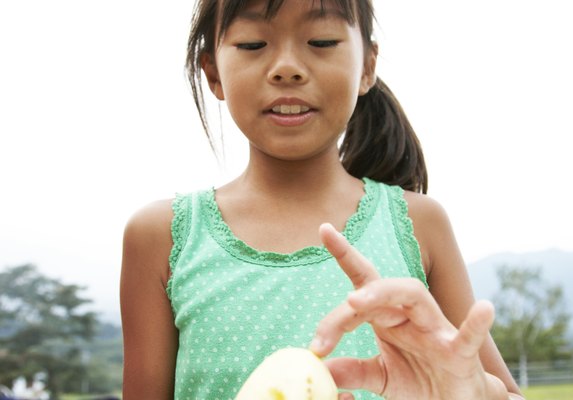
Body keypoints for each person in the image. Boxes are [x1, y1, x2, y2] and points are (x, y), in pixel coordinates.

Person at [119, 0, 524, 399]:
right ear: (213, 72)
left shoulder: (420, 224)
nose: (287, 68)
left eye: (322, 41)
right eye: (253, 44)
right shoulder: (164, 237)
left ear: (367, 65)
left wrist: (469, 391)